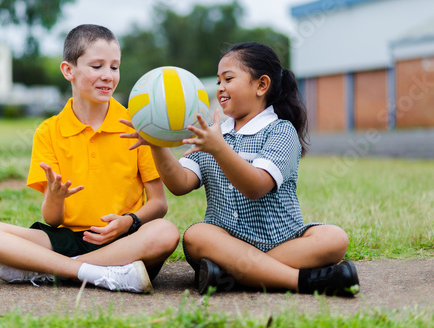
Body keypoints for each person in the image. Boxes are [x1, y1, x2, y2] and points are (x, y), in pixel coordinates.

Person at [121, 41, 360, 297]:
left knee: (334, 238)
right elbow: (180, 185)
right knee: (196, 235)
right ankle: (298, 279)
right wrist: (157, 144)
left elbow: (256, 186)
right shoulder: (212, 134)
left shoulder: (281, 131)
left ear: (261, 85)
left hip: (284, 241)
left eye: (228, 79)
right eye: (218, 81)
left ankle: (234, 274)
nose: (220, 88)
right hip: (224, 243)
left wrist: (219, 149)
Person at [0, 24, 180, 293]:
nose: (108, 76)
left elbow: (159, 204)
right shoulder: (49, 131)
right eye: (97, 66)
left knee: (166, 232)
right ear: (69, 70)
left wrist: (128, 222)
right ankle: (94, 273)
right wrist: (55, 198)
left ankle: (52, 269)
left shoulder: (137, 125)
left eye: (114, 67)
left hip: (124, 241)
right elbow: (53, 220)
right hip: (68, 238)